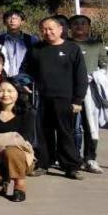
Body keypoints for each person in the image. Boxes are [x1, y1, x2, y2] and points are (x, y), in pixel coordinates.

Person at [23, 17, 88, 179]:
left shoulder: (72, 48)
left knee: (66, 133)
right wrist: (24, 83)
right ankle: (44, 163)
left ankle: (71, 166)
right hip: (42, 98)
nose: (47, 32)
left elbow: (81, 76)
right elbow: (25, 70)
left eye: (51, 28)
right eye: (44, 29)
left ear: (60, 29)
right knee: (43, 133)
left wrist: (78, 100)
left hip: (65, 99)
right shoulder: (36, 49)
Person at [69, 15, 108, 175]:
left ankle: (90, 158)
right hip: (70, 91)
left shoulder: (97, 44)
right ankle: (71, 158)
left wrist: (97, 75)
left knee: (91, 126)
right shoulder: (66, 44)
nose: (79, 26)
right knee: (70, 126)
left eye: (83, 23)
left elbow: (104, 65)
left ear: (89, 26)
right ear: (70, 27)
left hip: (90, 92)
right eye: (75, 24)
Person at [0, 9, 36, 77]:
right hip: (4, 78)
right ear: (4, 22)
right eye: (9, 18)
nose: (12, 21)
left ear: (22, 22)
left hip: (25, 78)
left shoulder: (31, 40)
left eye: (15, 18)